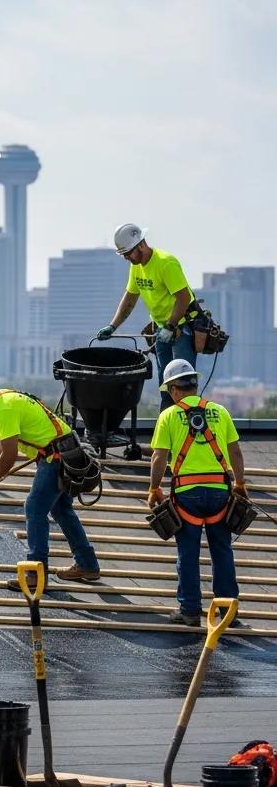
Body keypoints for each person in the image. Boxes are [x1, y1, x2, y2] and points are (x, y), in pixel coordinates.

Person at [0, 367, 101, 592]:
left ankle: (35, 574)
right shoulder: (1, 401)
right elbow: (3, 445)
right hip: (60, 452)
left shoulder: (5, 407)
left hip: (56, 456)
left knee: (34, 508)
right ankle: (87, 564)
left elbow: (9, 455)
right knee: (61, 510)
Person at [149, 359, 245, 627]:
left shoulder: (169, 415)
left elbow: (159, 457)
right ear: (194, 384)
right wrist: (240, 484)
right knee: (222, 549)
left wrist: (154, 488)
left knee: (188, 552)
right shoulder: (220, 412)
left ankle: (190, 610)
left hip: (186, 494)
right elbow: (235, 451)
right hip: (219, 492)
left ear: (172, 389)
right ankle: (228, 611)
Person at [97, 223, 198, 410]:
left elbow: (183, 298)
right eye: (123, 254)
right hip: (161, 328)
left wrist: (171, 325)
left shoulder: (165, 263)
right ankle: (167, 421)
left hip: (182, 327)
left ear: (141, 245)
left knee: (183, 382)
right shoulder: (137, 267)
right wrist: (113, 326)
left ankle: (187, 421)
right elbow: (130, 298)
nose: (126, 258)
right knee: (166, 384)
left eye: (128, 253)